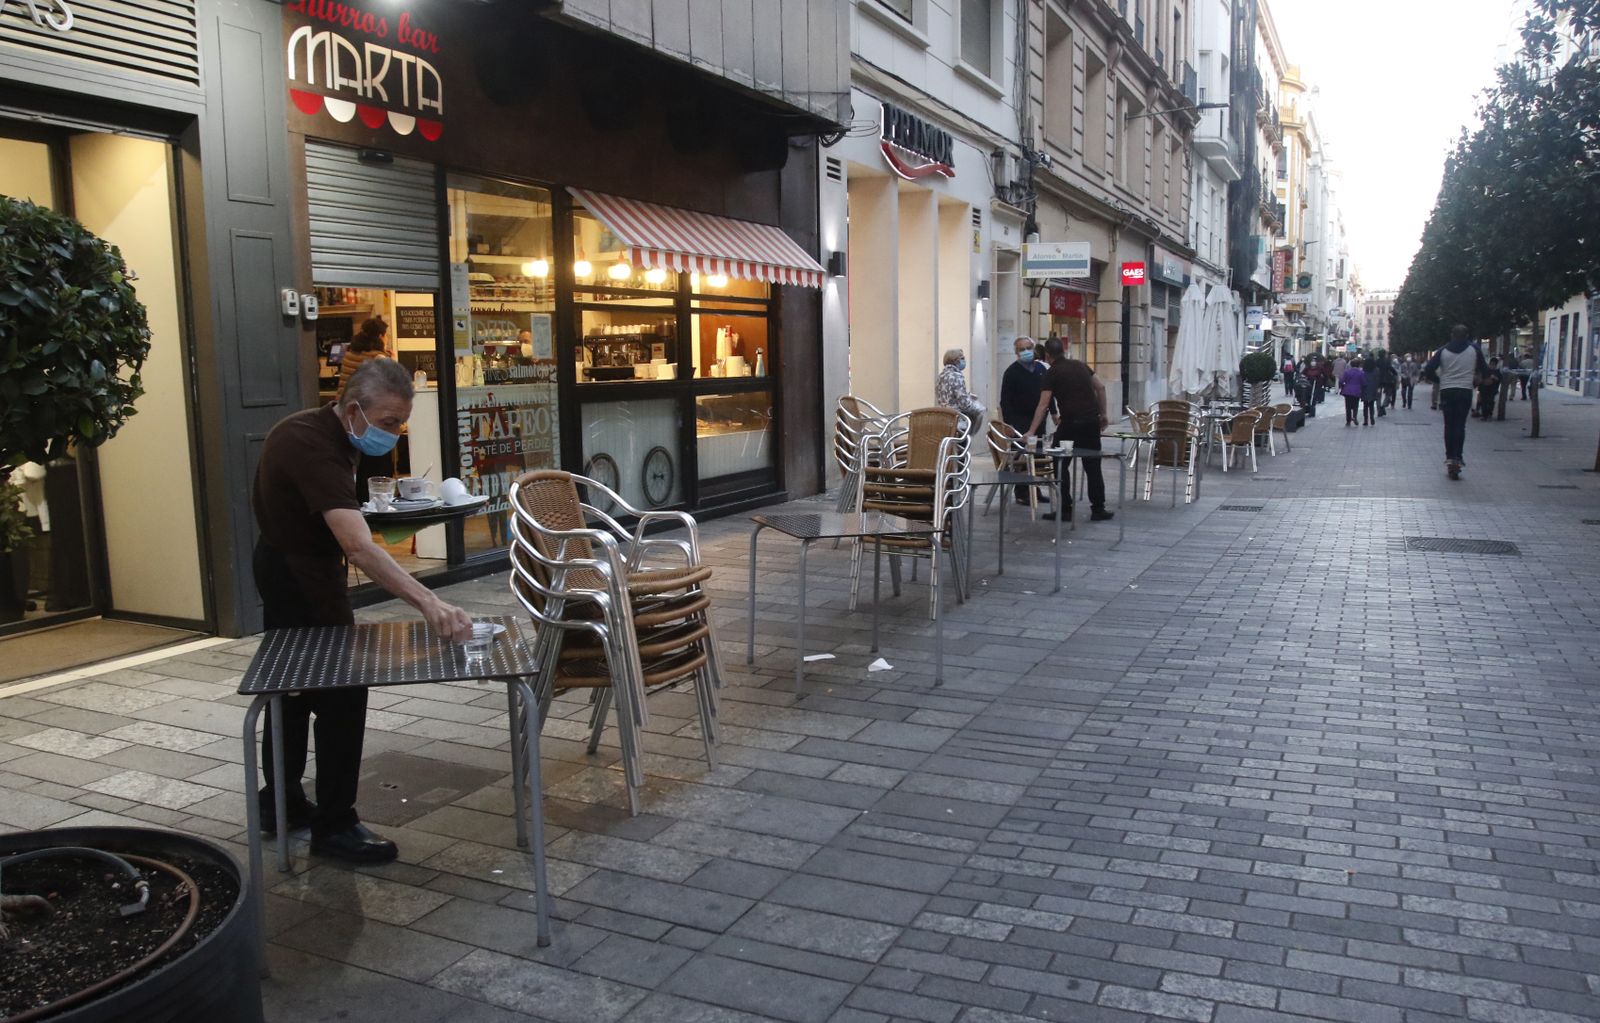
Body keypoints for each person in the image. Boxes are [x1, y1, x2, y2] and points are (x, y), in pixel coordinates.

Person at [252, 358, 474, 863]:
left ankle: (279, 803)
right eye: (390, 421)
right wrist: (429, 601)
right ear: (353, 409)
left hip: (292, 563)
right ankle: (335, 825)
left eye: (401, 422)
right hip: (297, 576)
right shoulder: (313, 446)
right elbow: (357, 546)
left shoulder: (317, 430)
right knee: (342, 692)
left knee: (292, 690)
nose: (395, 433)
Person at [1025, 337, 1113, 522]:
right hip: (1090, 421)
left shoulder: (1052, 373)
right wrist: (1103, 414)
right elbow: (1101, 387)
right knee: (1093, 466)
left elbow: (1043, 404)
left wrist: (1031, 431)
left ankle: (1065, 508)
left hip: (1070, 424)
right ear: (1063, 351)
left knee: (1060, 464)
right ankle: (1098, 509)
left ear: (1048, 355)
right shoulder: (1081, 365)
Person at [1421, 324, 1490, 479]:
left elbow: (1428, 370)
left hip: (1447, 391)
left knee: (1448, 425)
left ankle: (1450, 457)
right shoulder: (1474, 350)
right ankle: (1458, 457)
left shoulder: (1442, 351)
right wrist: (1478, 380)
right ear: (1467, 336)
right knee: (1460, 425)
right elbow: (1485, 370)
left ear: (1452, 335)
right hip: (1465, 391)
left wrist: (1440, 380)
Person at [999, 336, 1047, 503]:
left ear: (1033, 349)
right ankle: (1022, 493)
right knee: (1022, 457)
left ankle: (1036, 490)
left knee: (1037, 457)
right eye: (1021, 349)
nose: (1025, 351)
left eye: (1028, 348)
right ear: (1016, 352)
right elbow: (1005, 400)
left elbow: (1049, 393)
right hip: (1019, 421)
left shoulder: (1041, 369)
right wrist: (1008, 423)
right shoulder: (1011, 372)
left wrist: (1054, 412)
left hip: (1039, 421)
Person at [935, 348, 985, 434]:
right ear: (955, 361)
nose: (964, 360)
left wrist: (968, 395)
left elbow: (948, 395)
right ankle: (969, 437)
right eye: (962, 358)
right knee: (980, 412)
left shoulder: (941, 376)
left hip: (944, 416)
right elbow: (964, 404)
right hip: (957, 419)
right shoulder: (957, 376)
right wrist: (978, 407)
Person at [1340, 356, 1367, 426]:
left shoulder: (1347, 372)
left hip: (1347, 391)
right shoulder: (1361, 373)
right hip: (1357, 391)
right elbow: (1364, 383)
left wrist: (1343, 386)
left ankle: (1348, 421)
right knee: (1355, 405)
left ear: (1351, 365)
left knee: (1348, 406)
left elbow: (1341, 381)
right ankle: (1354, 416)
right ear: (1359, 365)